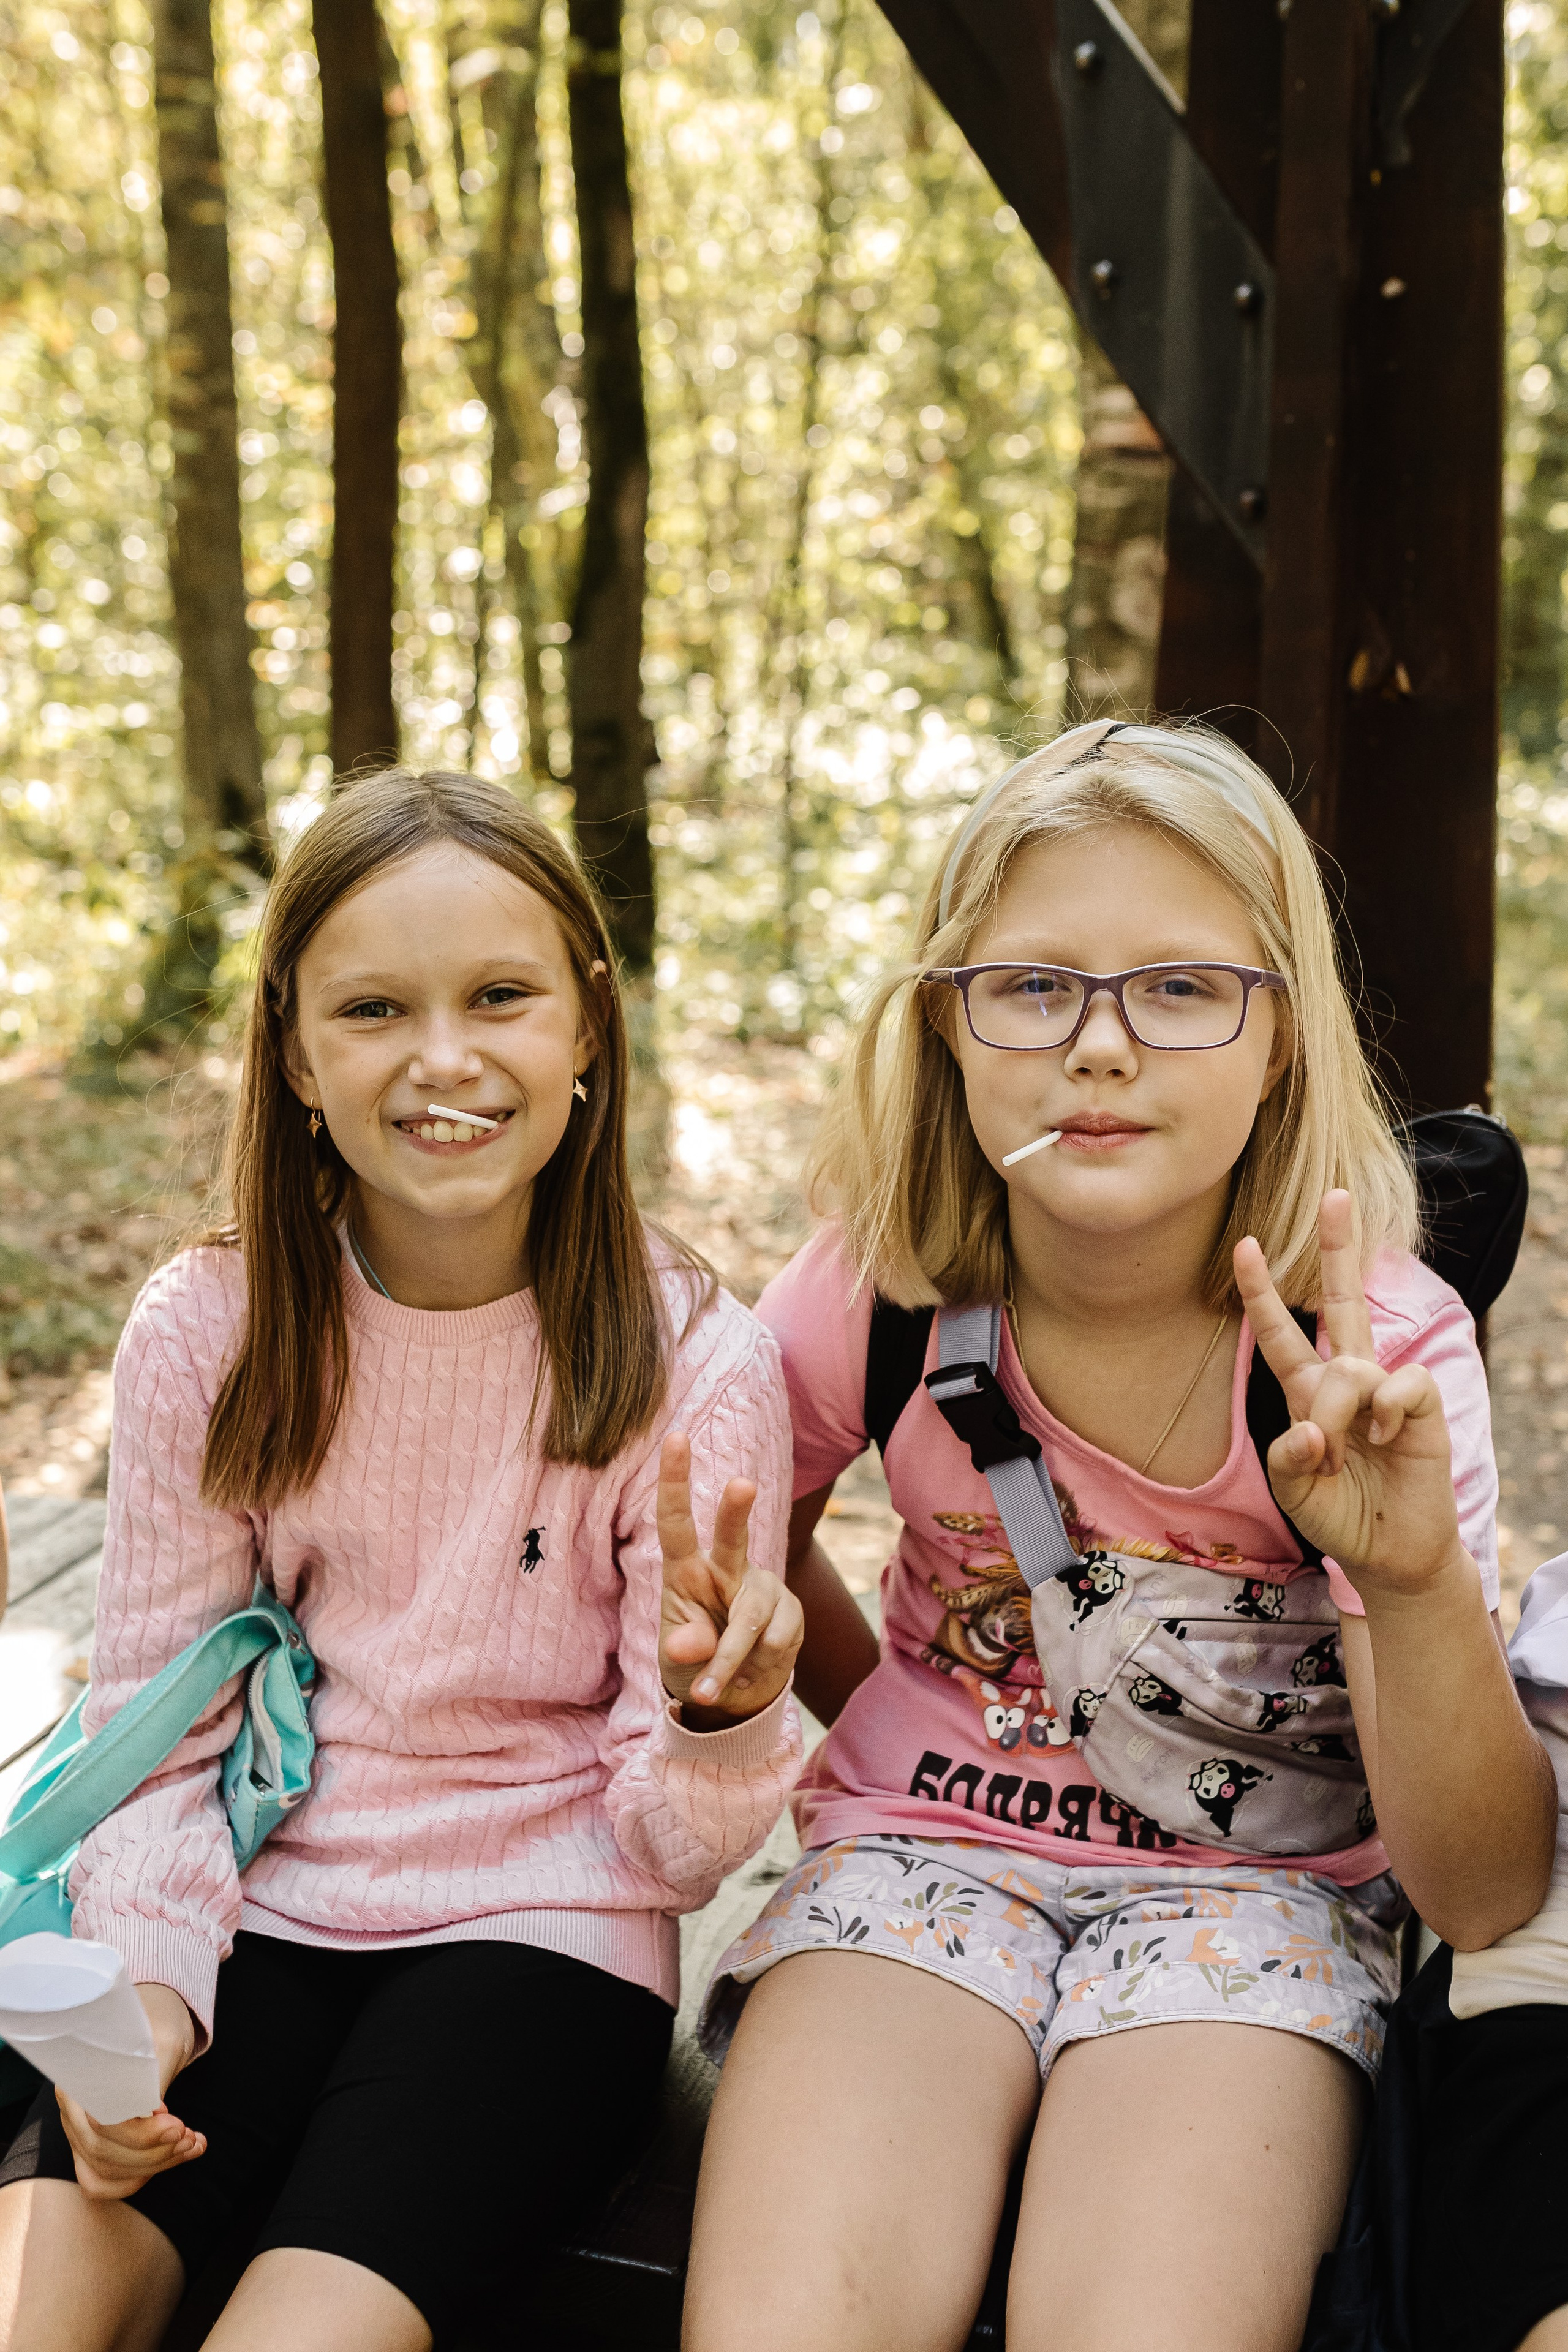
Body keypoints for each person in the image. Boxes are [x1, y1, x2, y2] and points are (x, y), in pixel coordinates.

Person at [683, 719, 1556, 2352]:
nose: (1100, 1047)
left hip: (1258, 1895)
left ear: (1283, 1034)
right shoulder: (871, 1289)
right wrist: (881, 1708)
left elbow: (1486, 1884)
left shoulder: (1375, 1349)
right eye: (1033, 986)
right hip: (917, 1868)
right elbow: (751, 1562)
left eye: (1181, 988)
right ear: (949, 1026)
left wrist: (1417, 1580)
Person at [0, 769, 803, 2352]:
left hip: (542, 1937)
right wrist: (146, 2017)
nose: (445, 1059)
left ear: (586, 1026)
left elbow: (673, 1848)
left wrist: (720, 1723)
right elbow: (155, 1738)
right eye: (373, 1009)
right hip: (255, 1903)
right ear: (295, 1055)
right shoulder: (208, 1333)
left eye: (500, 996)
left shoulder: (696, 1363)